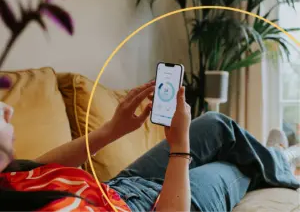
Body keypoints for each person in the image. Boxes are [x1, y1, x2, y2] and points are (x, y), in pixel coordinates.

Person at [0, 80, 300, 212]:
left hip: (118, 188)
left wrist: (110, 131)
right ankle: (284, 157)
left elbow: (38, 171)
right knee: (234, 165)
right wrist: (179, 145)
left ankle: (276, 154)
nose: (7, 110)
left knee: (215, 124)